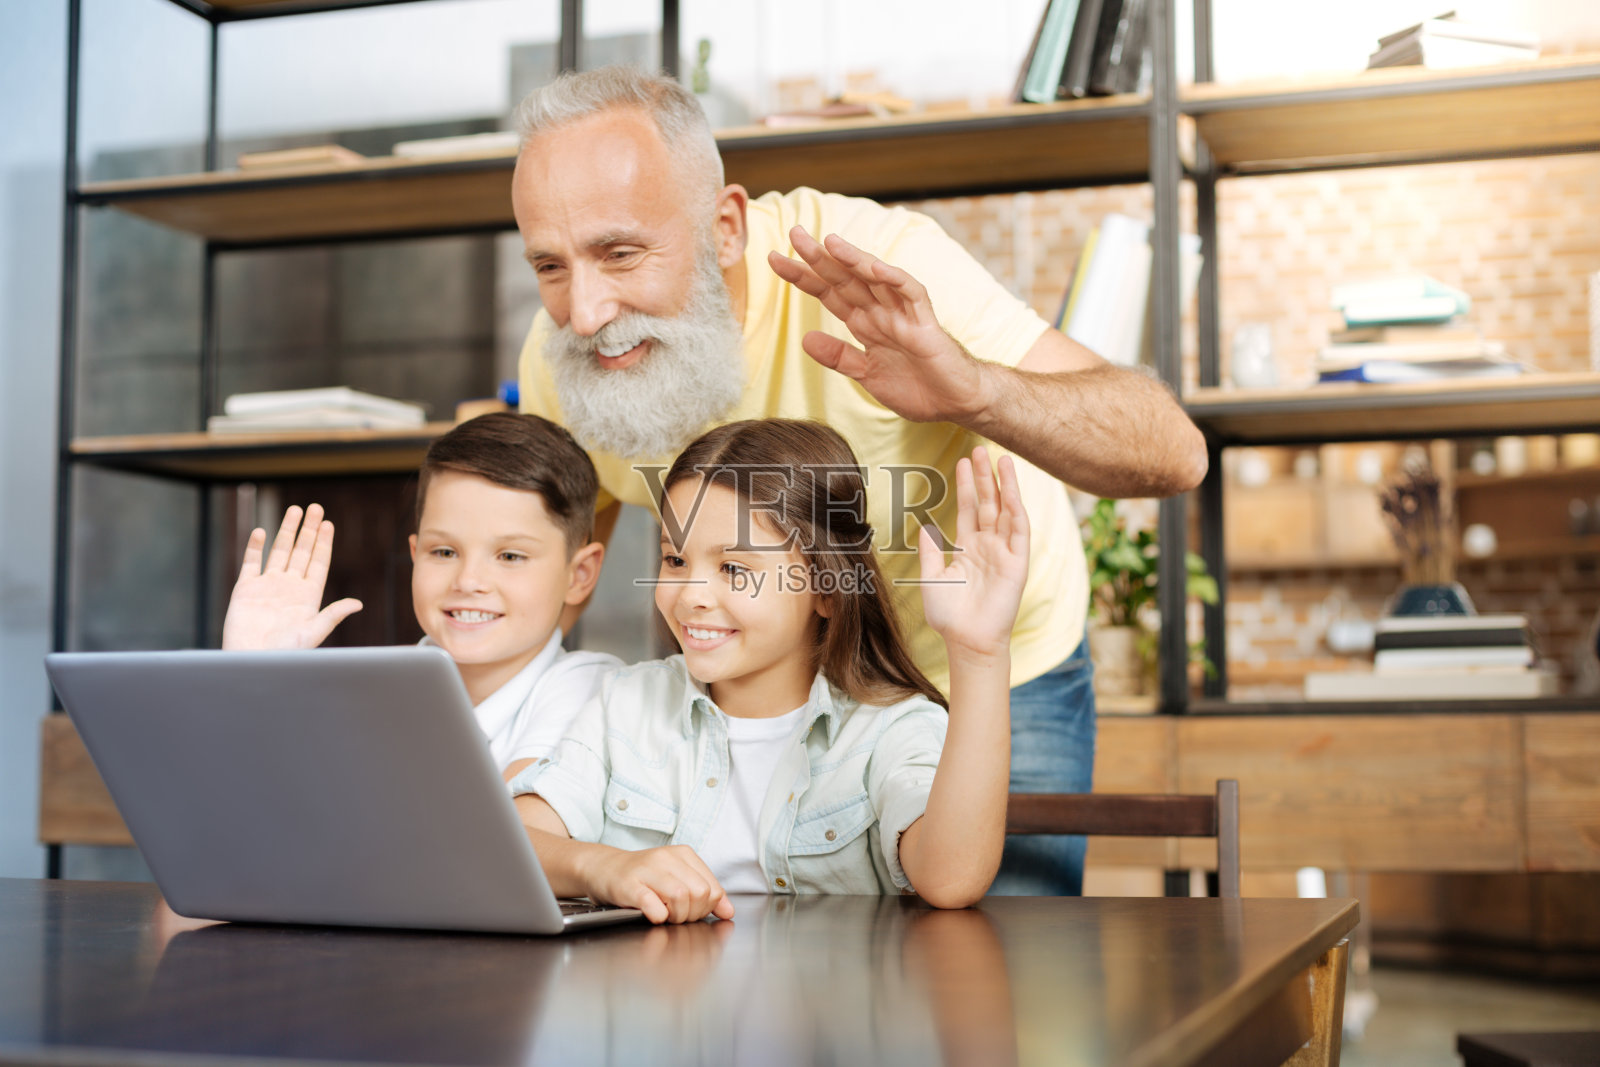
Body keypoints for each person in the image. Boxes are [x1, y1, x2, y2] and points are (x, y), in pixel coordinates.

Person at [509, 66, 1208, 894]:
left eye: (619, 253)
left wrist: (973, 389)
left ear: (724, 228)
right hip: (761, 700)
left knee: (1004, 979)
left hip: (980, 667)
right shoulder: (568, 359)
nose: (585, 310)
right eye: (550, 267)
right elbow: (547, 573)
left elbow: (1173, 450)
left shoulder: (876, 272)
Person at [505, 419, 1028, 923]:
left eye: (734, 568)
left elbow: (952, 879)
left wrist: (979, 654)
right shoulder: (625, 702)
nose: (691, 596)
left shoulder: (887, 728)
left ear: (825, 587)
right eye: (675, 560)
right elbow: (508, 842)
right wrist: (608, 867)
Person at [222, 412, 620, 769]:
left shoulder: (591, 690)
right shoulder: (371, 695)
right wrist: (250, 682)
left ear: (580, 575)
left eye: (510, 556)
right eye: (444, 551)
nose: (468, 581)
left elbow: (509, 837)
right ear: (415, 554)